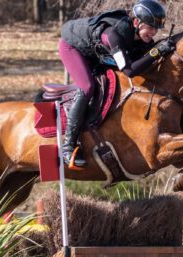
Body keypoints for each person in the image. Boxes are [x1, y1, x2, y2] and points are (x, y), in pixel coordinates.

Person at [59, 0, 175, 168]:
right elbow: (129, 70)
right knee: (88, 87)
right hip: (72, 47)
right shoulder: (114, 35)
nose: (154, 32)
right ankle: (68, 146)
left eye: (156, 29)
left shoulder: (143, 39)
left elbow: (143, 61)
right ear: (137, 22)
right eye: (150, 27)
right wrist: (157, 51)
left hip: (95, 52)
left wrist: (160, 50)